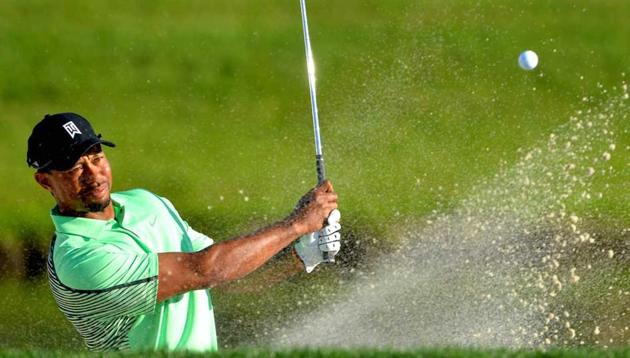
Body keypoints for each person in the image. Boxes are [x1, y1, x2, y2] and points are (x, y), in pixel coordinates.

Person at [27, 112, 341, 352]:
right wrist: (297, 224)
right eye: (74, 168)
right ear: (45, 181)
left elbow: (228, 275)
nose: (93, 174)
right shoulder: (80, 261)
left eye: (97, 158)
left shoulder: (145, 203)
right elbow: (206, 269)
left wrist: (300, 256)